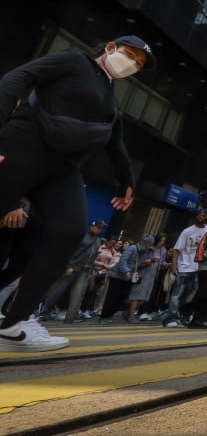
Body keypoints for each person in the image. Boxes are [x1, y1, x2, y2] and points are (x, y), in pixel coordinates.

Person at [0, 36, 152, 351]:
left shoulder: (110, 100)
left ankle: (16, 322)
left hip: (62, 169)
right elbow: (20, 77)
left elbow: (116, 143)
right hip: (22, 147)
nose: (133, 64)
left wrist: (127, 184)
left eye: (140, 64)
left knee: (69, 230)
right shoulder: (73, 60)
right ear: (110, 46)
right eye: (131, 55)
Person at [38, 219, 106, 320]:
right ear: (92, 226)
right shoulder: (83, 236)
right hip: (73, 267)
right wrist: (69, 266)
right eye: (99, 227)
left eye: (102, 228)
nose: (100, 230)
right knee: (59, 290)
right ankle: (44, 311)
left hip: (85, 270)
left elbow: (93, 256)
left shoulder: (97, 240)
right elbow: (72, 252)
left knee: (77, 294)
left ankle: (70, 315)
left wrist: (91, 270)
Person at [163, 209, 207, 328]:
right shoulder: (187, 231)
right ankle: (170, 318)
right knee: (177, 294)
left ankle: (182, 314)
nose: (201, 217)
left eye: (204, 215)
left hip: (199, 268)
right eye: (199, 215)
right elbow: (177, 249)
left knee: (192, 295)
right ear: (196, 216)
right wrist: (174, 266)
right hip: (184, 267)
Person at [100, 235, 154, 322]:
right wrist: (126, 271)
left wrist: (145, 263)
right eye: (147, 246)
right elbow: (122, 261)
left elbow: (137, 265)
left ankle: (111, 314)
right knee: (112, 297)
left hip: (128, 278)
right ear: (143, 244)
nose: (147, 249)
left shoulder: (143, 253)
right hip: (117, 276)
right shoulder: (132, 248)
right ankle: (104, 316)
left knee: (123, 297)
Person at [128, 234, 165, 321]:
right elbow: (139, 262)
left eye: (164, 241)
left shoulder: (163, 250)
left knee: (145, 297)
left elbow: (162, 262)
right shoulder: (148, 249)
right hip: (143, 273)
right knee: (136, 294)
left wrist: (165, 264)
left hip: (153, 275)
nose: (162, 243)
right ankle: (131, 316)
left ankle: (128, 313)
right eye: (161, 241)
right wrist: (147, 262)